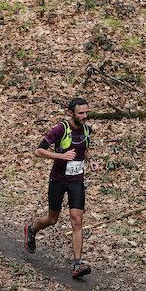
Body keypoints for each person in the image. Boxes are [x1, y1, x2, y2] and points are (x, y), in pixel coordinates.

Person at [24, 97, 99, 279]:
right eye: (81, 113)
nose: (85, 116)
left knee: (77, 220)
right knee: (52, 219)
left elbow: (84, 149)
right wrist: (61, 156)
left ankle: (77, 265)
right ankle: (32, 229)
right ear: (71, 113)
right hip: (58, 180)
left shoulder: (87, 130)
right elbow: (38, 151)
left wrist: (91, 160)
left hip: (76, 181)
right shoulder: (61, 129)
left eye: (86, 112)